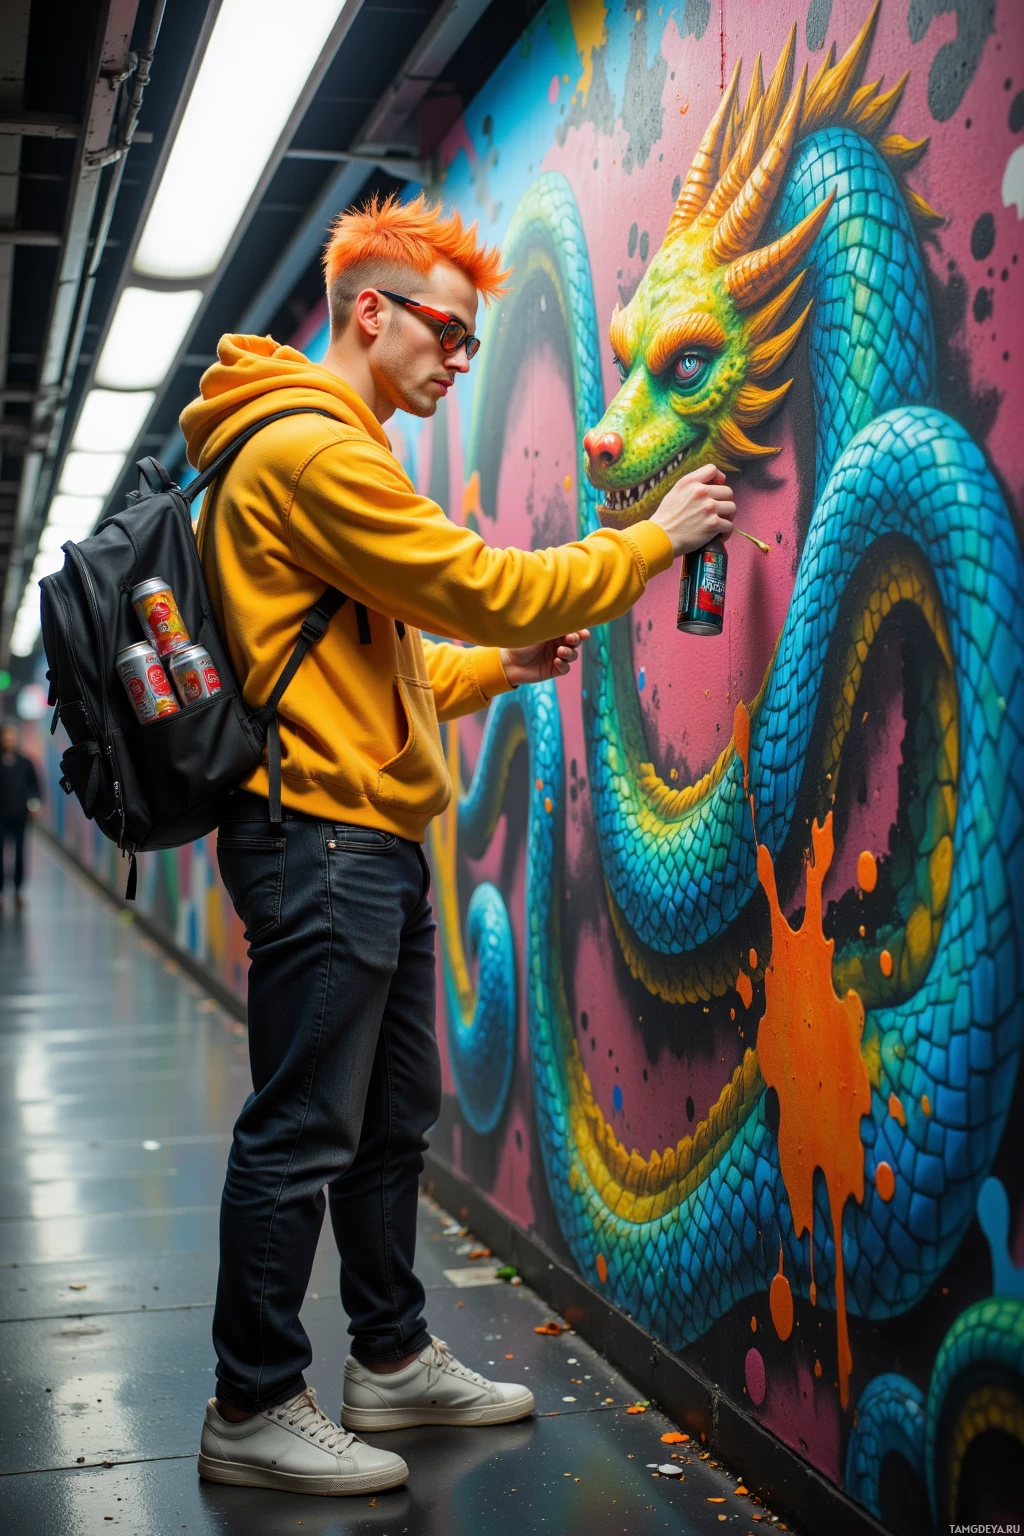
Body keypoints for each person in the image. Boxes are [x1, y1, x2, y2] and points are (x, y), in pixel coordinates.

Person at [184, 193, 736, 1498]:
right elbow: (476, 578)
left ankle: (386, 1357)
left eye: (474, 343)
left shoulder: (332, 445)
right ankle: (253, 1402)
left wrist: (491, 673)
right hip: (321, 839)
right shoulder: (314, 452)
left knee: (386, 1120)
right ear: (367, 311)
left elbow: (379, 668)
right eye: (447, 331)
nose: (456, 359)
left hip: (363, 833)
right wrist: (649, 541)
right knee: (303, 1128)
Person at [0, 722, 42, 912]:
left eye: (12, 736)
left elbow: (34, 789)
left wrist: (34, 805)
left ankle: (18, 891)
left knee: (19, 854)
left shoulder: (25, 762)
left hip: (19, 816)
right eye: (5, 736)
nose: (9, 739)